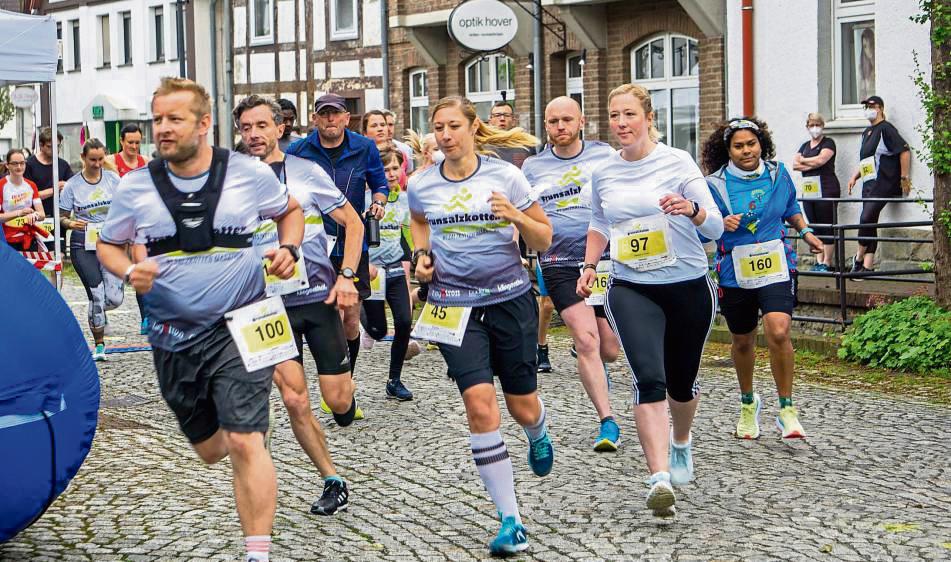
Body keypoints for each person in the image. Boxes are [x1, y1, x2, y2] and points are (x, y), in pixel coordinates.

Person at [97, 77, 305, 562]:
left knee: (245, 437)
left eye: (174, 119)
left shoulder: (249, 173)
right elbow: (106, 243)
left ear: (204, 123)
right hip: (173, 335)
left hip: (245, 321)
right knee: (212, 449)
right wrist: (129, 270)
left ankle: (258, 554)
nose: (162, 130)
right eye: (157, 120)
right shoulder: (135, 186)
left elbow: (289, 211)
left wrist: (289, 249)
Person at [409, 96, 554, 555]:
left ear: (473, 128)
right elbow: (418, 222)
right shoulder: (422, 184)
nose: (446, 135)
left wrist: (515, 216)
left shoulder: (505, 176)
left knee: (522, 406)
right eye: (438, 127)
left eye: (454, 125)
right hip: (454, 306)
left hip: (510, 301)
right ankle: (511, 519)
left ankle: (538, 431)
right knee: (478, 403)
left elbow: (544, 237)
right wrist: (421, 257)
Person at [577, 84, 723, 517]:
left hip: (686, 283)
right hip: (630, 285)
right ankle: (658, 477)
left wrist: (691, 209)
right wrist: (589, 266)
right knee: (648, 378)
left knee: (681, 382)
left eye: (629, 115)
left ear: (648, 117)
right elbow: (599, 224)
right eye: (614, 116)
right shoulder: (604, 172)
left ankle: (681, 442)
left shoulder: (677, 161)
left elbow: (714, 226)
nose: (621, 124)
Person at [235, 94, 364, 517]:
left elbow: (353, 223)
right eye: (246, 128)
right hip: (263, 307)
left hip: (315, 296)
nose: (253, 134)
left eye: (261, 126)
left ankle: (345, 400)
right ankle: (332, 479)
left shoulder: (307, 172)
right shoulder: (232, 181)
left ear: (279, 128)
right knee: (293, 399)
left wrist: (346, 276)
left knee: (339, 400)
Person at [701, 117, 824, 441]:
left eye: (751, 144)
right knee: (742, 340)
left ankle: (787, 409)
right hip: (733, 271)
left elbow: (791, 208)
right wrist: (718, 224)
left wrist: (806, 232)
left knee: (779, 331)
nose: (746, 151)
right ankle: (747, 402)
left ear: (761, 144)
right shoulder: (714, 184)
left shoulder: (777, 173)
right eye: (738, 146)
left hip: (776, 265)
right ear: (727, 150)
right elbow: (703, 226)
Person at [522, 96, 621, 451]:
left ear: (582, 121)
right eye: (553, 121)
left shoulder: (605, 156)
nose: (560, 127)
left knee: (609, 348)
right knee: (586, 339)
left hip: (607, 260)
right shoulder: (532, 167)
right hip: (559, 263)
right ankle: (608, 422)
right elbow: (524, 213)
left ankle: (597, 365)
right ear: (545, 125)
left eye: (567, 120)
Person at [286, 93, 388, 397]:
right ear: (315, 119)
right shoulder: (299, 150)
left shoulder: (364, 146)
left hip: (352, 239)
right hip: (314, 243)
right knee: (315, 311)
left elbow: (379, 182)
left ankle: (346, 382)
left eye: (336, 114)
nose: (330, 119)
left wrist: (379, 202)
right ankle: (316, 382)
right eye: (324, 114)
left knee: (349, 317)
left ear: (346, 118)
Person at [60, 139, 124, 360]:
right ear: (83, 158)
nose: (97, 164)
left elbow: (127, 207)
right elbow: (61, 216)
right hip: (82, 245)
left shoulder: (114, 180)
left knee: (114, 299)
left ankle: (98, 312)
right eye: (93, 160)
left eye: (100, 159)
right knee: (97, 296)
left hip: (110, 243)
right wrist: (69, 223)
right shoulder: (72, 186)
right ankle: (99, 344)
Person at [361, 146, 416, 401]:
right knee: (378, 329)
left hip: (394, 270)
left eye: (395, 168)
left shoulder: (405, 199)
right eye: (385, 170)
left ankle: (394, 379)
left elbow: (411, 231)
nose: (391, 174)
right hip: (372, 273)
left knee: (404, 322)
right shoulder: (364, 198)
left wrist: (418, 253)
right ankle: (361, 315)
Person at [846, 96, 912, 276]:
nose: (868, 109)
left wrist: (904, 177)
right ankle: (867, 267)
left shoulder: (886, 129)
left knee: (866, 217)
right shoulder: (866, 132)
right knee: (871, 220)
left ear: (881, 108)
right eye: (866, 106)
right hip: (868, 182)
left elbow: (904, 151)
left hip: (884, 182)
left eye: (872, 106)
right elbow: (866, 160)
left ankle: (858, 257)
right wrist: (854, 176)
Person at [110, 123, 152, 334]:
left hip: (139, 224)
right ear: (121, 142)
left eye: (137, 142)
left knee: (140, 267)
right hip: (118, 222)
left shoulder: (146, 162)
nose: (134, 146)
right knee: (117, 273)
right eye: (130, 143)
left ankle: (146, 317)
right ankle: (104, 304)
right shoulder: (111, 162)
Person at [793, 113, 839, 271]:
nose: (815, 128)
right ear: (807, 127)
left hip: (826, 188)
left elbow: (821, 160)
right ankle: (819, 261)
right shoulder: (805, 146)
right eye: (811, 125)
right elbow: (795, 165)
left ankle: (827, 262)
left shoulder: (828, 143)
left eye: (817, 124)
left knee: (827, 226)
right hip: (809, 190)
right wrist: (812, 163)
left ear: (822, 125)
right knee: (814, 225)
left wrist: (805, 161)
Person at [25, 128, 74, 254]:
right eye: (49, 146)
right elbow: (27, 196)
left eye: (57, 146)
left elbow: (73, 189)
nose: (54, 150)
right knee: (36, 258)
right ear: (40, 145)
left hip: (58, 218)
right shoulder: (29, 165)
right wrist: (54, 189)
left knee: (59, 257)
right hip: (36, 220)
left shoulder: (63, 165)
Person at [1, 148, 46, 251]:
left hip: (28, 238)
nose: (19, 167)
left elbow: (42, 214)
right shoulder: (1, 185)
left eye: (22, 163)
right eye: (15, 164)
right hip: (7, 240)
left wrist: (34, 215)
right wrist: (19, 213)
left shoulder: (31, 185)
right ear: (7, 165)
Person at [486, 101, 536, 169]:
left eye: (506, 115)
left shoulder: (526, 145)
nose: (502, 119)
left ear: (513, 121)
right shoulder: (482, 147)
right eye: (497, 115)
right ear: (490, 121)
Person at [382, 109, 415, 173]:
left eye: (391, 124)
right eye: (384, 125)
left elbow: (408, 174)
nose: (388, 129)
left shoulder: (405, 149)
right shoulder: (371, 149)